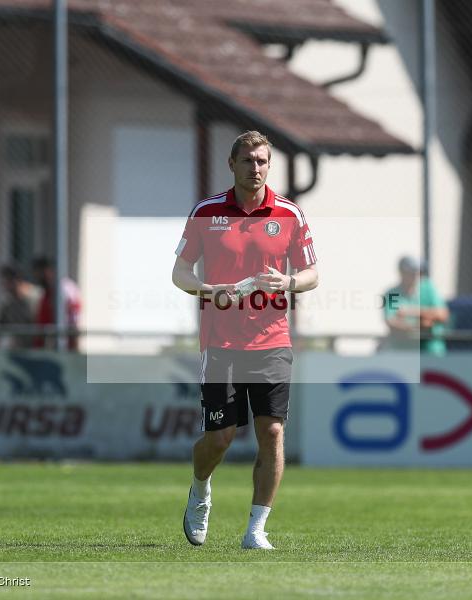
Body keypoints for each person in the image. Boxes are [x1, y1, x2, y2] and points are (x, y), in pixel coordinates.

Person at [172, 131, 318, 550]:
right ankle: (200, 488)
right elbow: (180, 272)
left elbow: (312, 274)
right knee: (220, 438)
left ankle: (256, 529)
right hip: (220, 343)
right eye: (248, 161)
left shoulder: (290, 213)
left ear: (269, 165)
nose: (255, 168)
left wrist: (289, 281)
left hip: (272, 340)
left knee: (271, 432)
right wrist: (206, 290)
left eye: (262, 161)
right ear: (231, 164)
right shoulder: (207, 212)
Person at [382, 256, 448, 355]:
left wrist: (411, 312)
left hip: (430, 349)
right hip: (403, 350)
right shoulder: (392, 294)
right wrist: (417, 327)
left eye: (417, 272)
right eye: (410, 272)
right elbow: (391, 321)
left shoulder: (428, 288)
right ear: (401, 273)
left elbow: (442, 315)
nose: (414, 276)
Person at [32, 256, 82, 351]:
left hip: (66, 345)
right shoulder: (46, 293)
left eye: (39, 272)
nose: (37, 276)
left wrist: (74, 348)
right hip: (52, 345)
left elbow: (73, 322)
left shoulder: (66, 289)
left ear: (48, 271)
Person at [0, 264, 40, 350]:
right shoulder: (8, 306)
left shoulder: (37, 297)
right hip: (21, 352)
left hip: (40, 350)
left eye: (6, 281)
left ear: (16, 281)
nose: (4, 285)